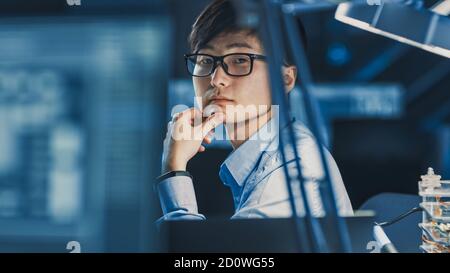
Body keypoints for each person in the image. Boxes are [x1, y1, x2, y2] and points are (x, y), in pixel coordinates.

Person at [156, 0, 353, 222]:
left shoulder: (291, 172)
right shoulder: (278, 153)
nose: (216, 79)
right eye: (205, 60)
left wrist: (174, 168)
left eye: (240, 60)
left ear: (285, 79)